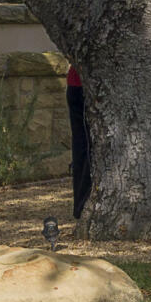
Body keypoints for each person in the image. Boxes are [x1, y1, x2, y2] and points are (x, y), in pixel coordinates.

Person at [66, 62, 89, 223]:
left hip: (76, 84)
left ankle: (81, 204)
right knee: (87, 146)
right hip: (85, 87)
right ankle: (82, 203)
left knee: (82, 145)